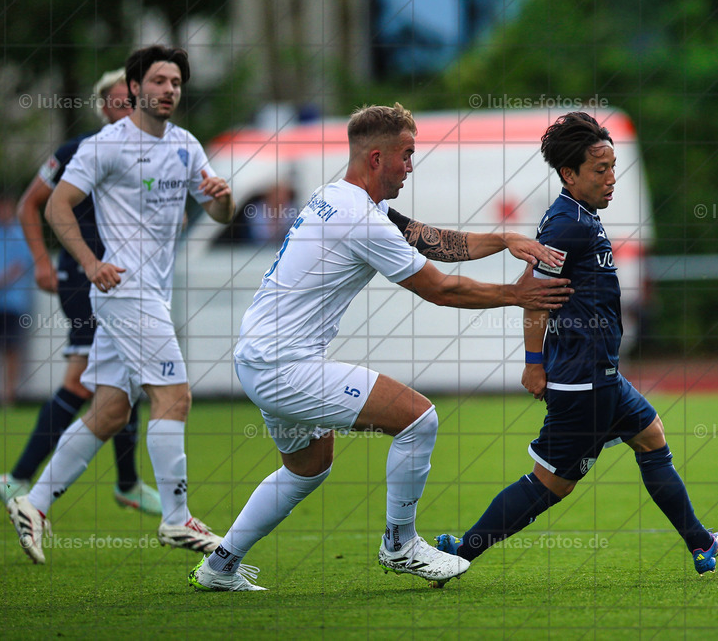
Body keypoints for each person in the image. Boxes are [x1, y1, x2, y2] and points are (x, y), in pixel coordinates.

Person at [187, 102, 572, 592]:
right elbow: (440, 288)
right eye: (406, 155)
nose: (411, 166)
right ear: (375, 158)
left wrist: (503, 240)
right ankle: (400, 544)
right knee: (418, 418)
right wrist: (516, 295)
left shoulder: (343, 199)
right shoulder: (360, 220)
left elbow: (430, 240)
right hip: (284, 367)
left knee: (308, 467)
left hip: (259, 358)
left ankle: (219, 567)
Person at [434, 112, 718, 578]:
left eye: (613, 167)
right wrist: (534, 364)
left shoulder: (582, 216)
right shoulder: (565, 226)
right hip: (582, 381)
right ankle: (460, 554)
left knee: (651, 438)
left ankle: (701, 542)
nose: (611, 178)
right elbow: (533, 296)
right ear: (570, 175)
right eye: (600, 170)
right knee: (551, 483)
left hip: (601, 373)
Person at [6, 45, 235, 565]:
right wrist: (89, 263)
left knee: (110, 412)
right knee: (175, 397)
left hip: (150, 293)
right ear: (134, 88)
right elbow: (58, 207)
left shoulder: (185, 145)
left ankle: (34, 503)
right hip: (123, 291)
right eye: (158, 80)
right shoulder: (106, 145)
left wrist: (222, 198)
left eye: (176, 81)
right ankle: (177, 519)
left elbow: (220, 213)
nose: (169, 89)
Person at [0, 70, 161, 515]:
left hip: (128, 282)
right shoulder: (78, 150)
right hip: (84, 280)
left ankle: (127, 482)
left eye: (134, 99)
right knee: (80, 377)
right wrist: (42, 262)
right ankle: (20, 478)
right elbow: (32, 204)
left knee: (129, 370)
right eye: (119, 100)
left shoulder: (153, 153)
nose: (128, 106)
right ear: (103, 106)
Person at [0, 196, 33, 406]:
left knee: (11, 350)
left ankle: (9, 396)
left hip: (13, 302)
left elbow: (20, 266)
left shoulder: (21, 233)